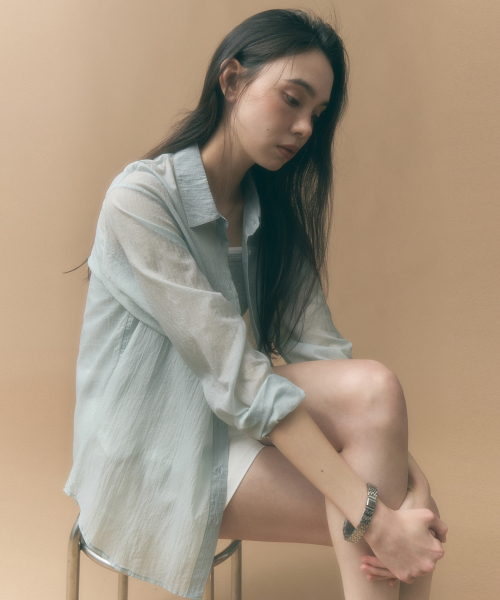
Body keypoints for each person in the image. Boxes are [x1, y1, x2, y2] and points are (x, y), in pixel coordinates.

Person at [64, 8, 447, 600]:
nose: (304, 127)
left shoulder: (270, 216)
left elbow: (331, 365)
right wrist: (376, 514)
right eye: (292, 99)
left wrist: (415, 486)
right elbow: (233, 373)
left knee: (393, 454)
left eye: (317, 114)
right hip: (148, 449)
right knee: (389, 515)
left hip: (225, 422)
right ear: (232, 79)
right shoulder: (141, 199)